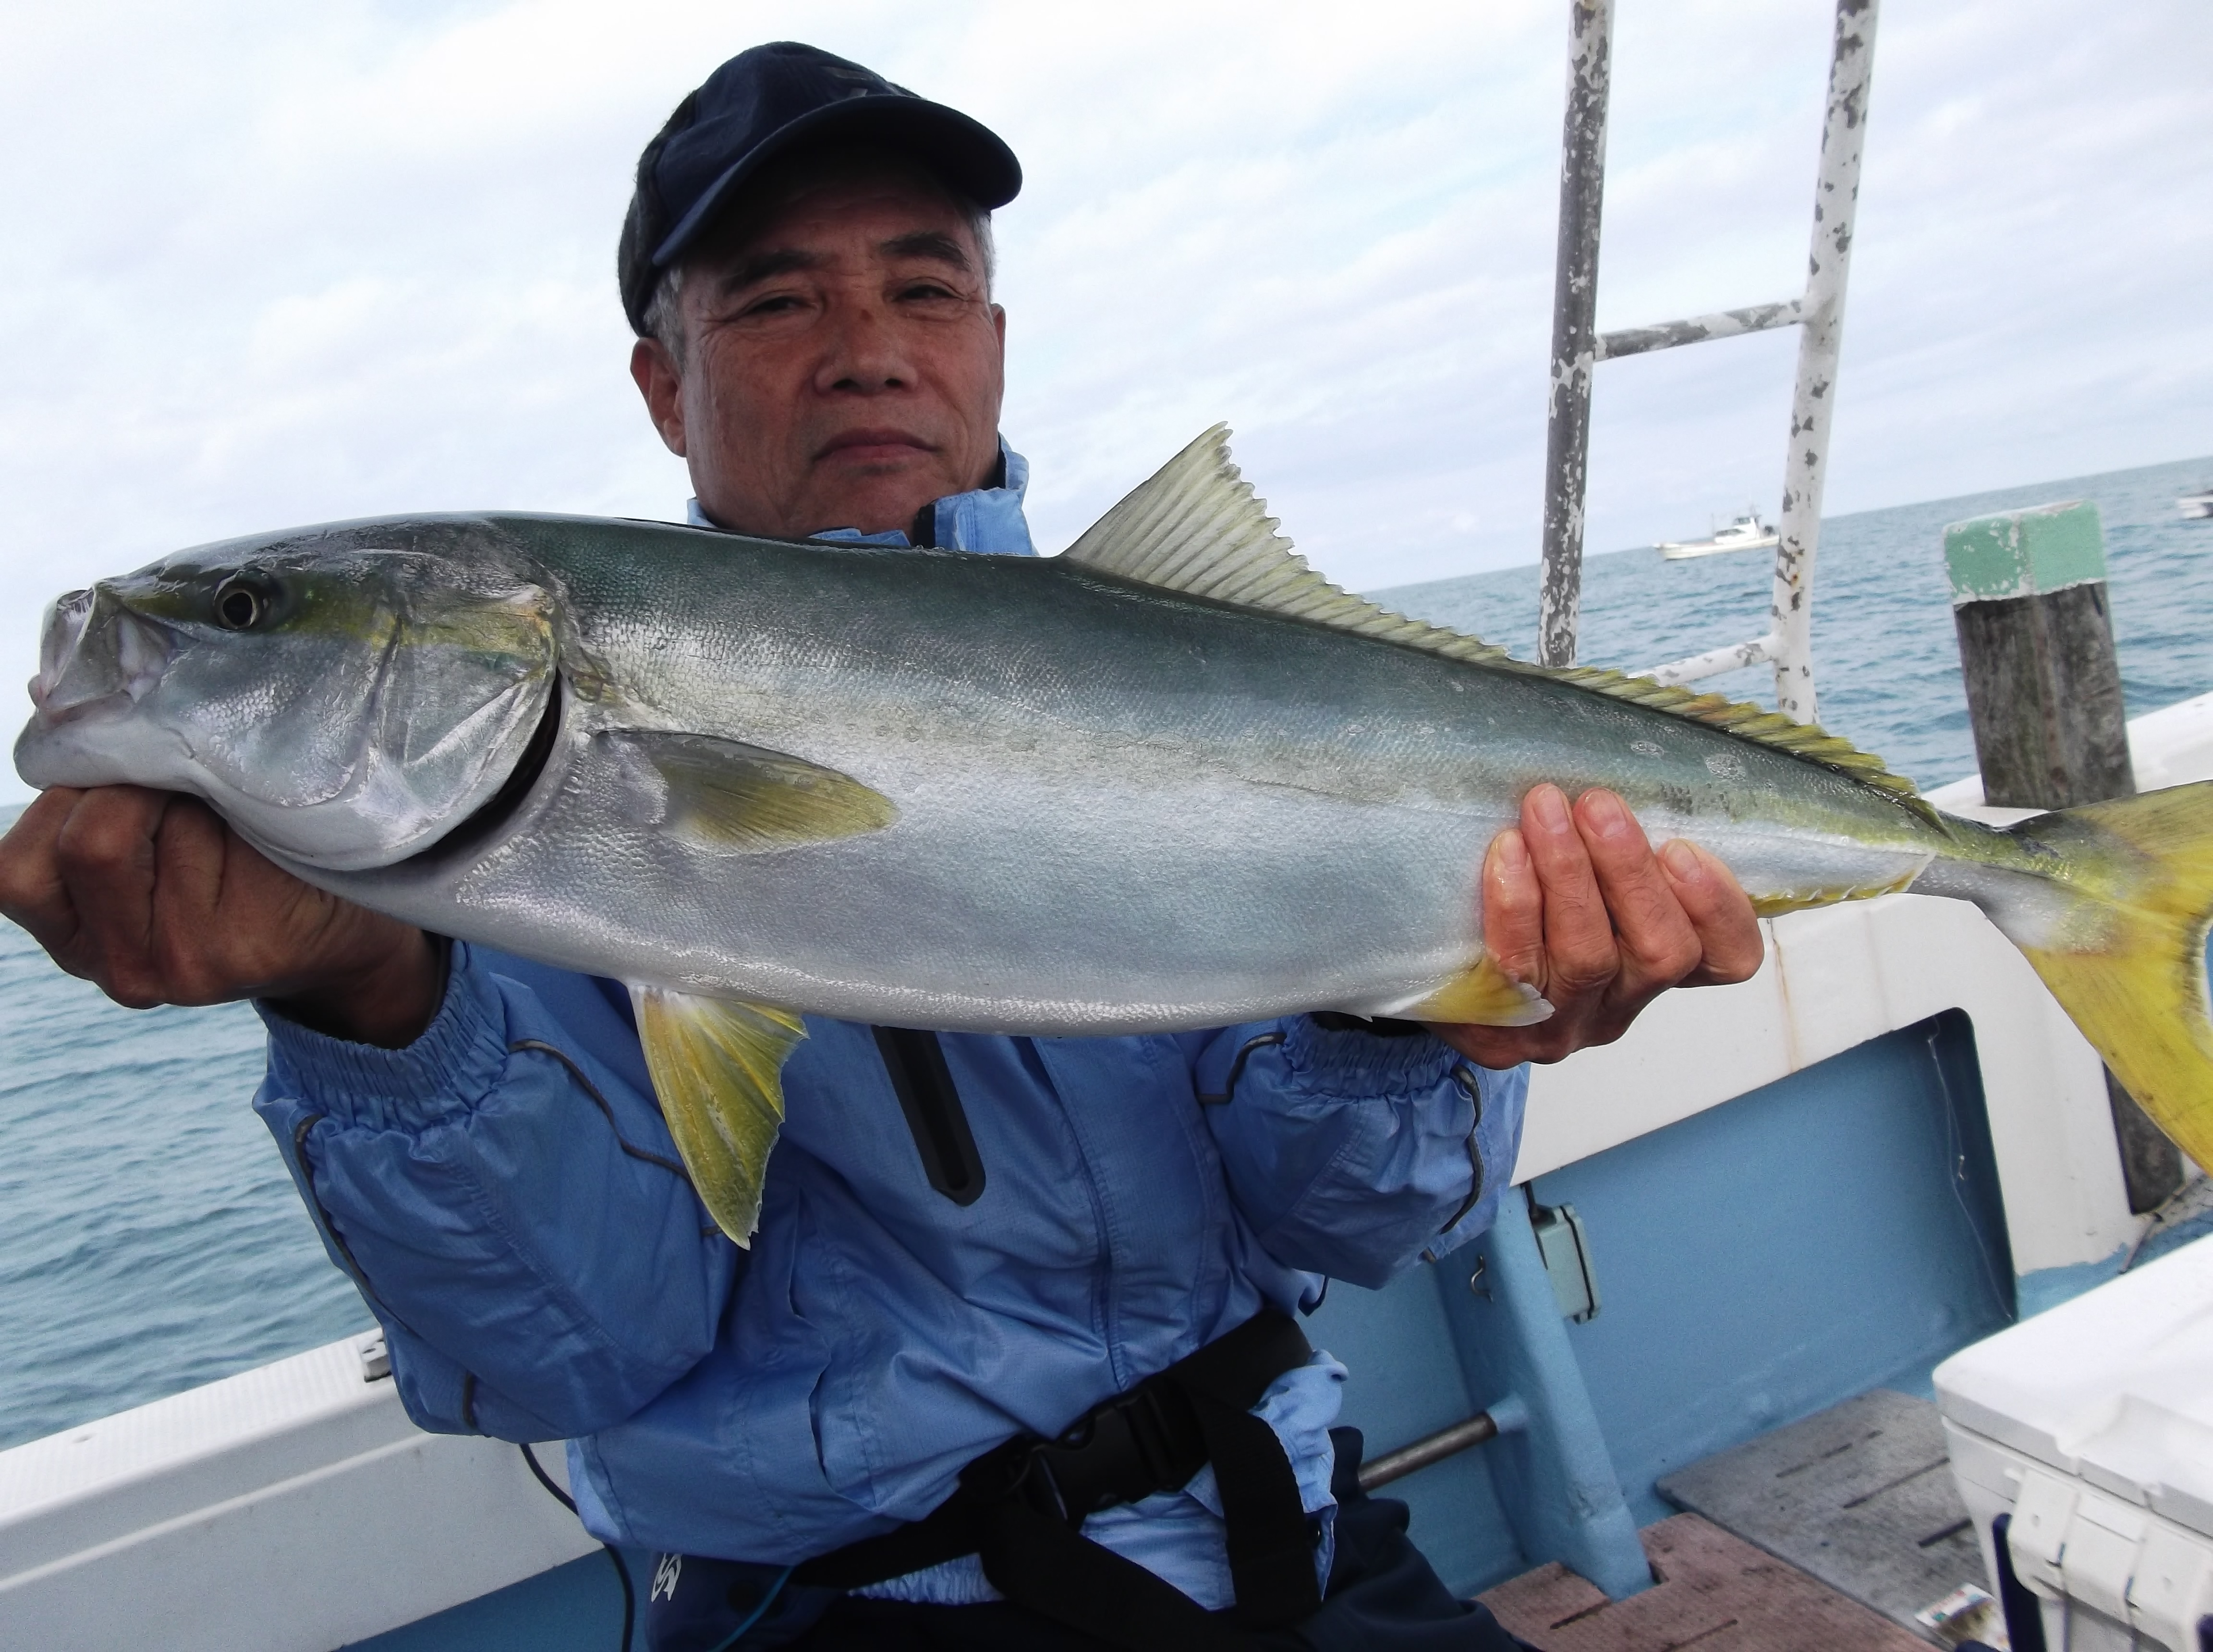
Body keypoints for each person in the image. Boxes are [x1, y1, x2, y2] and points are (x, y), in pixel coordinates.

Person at [0, 42, 1763, 1652]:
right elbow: (574, 1352)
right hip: (853, 1610)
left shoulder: (1216, 685)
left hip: (1289, 1528)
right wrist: (364, 1003)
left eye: (929, 285)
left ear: (994, 339)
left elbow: (1362, 1225)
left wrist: (1416, 1019)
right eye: (774, 301)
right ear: (661, 385)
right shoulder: (485, 872)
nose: (868, 346)